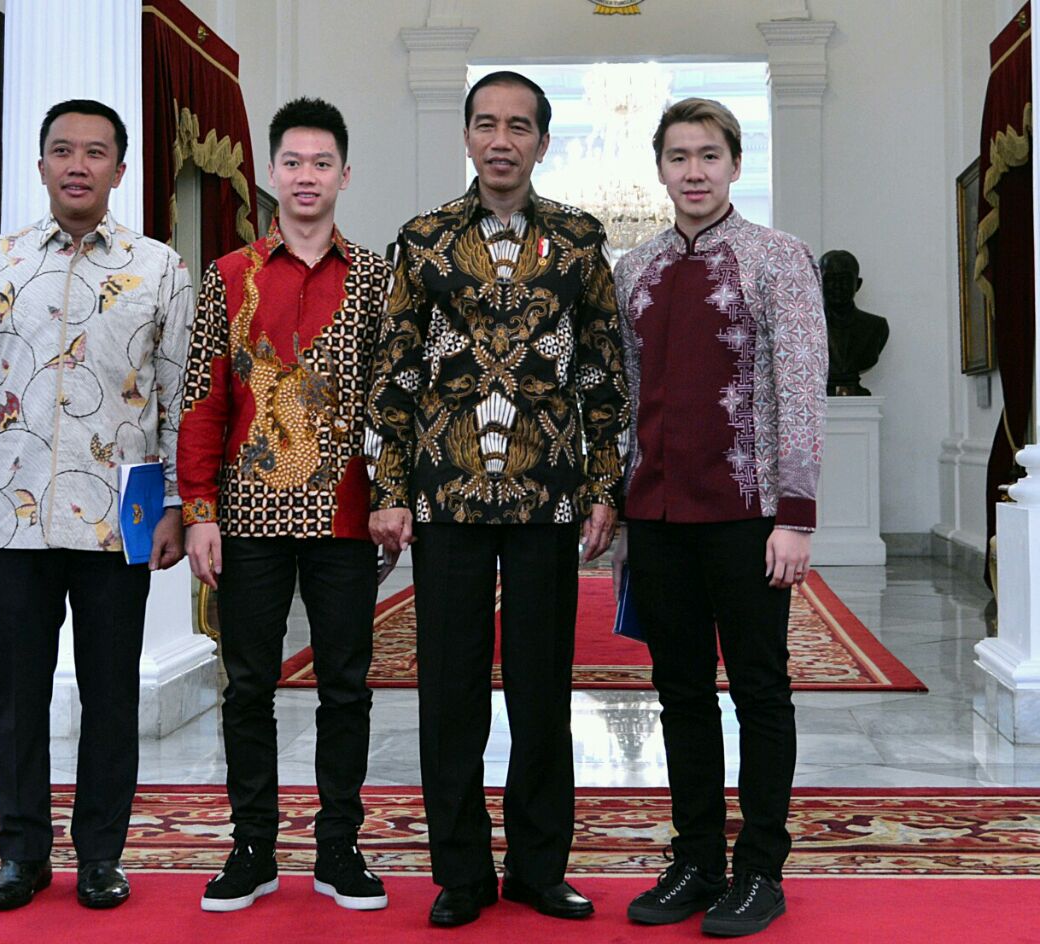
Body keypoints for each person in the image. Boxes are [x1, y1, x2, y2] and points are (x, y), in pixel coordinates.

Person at [367, 71, 628, 928]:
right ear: (468, 138)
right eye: (487, 124)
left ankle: (539, 869)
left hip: (548, 497)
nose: (502, 140)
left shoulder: (581, 241)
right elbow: (396, 374)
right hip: (446, 499)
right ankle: (462, 873)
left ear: (543, 142)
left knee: (542, 687)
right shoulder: (426, 239)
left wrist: (601, 489)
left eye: (520, 126)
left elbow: (601, 373)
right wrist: (391, 490)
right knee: (449, 690)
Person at [0, 99, 191, 911]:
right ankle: (21, 854)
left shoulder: (159, 270)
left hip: (122, 518)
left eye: (95, 152)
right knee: (20, 690)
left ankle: (102, 857)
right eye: (62, 150)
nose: (77, 164)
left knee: (112, 689)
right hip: (10, 515)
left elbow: (181, 397)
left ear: (121, 168)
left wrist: (181, 502)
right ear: (40, 164)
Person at [611, 98, 827, 937]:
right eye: (678, 157)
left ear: (735, 164)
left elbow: (802, 390)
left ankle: (760, 869)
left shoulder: (779, 259)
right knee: (679, 692)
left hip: (748, 514)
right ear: (659, 168)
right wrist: (626, 513)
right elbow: (629, 398)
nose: (693, 171)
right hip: (658, 514)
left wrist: (795, 516)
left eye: (709, 155)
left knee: (761, 691)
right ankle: (697, 858)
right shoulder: (635, 269)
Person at [178, 97, 391, 914]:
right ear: (272, 173)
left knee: (347, 687)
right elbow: (203, 400)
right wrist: (199, 511)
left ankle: (339, 848)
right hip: (247, 520)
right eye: (293, 163)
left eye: (322, 163)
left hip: (346, 518)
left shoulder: (376, 279)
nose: (307, 177)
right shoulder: (229, 277)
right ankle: (252, 848)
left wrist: (392, 499)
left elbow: (394, 404)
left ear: (344, 174)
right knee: (247, 687)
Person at [820, 249, 889, 396]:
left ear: (857, 284)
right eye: (830, 279)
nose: (837, 286)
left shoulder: (876, 327)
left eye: (844, 279)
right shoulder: (804, 328)